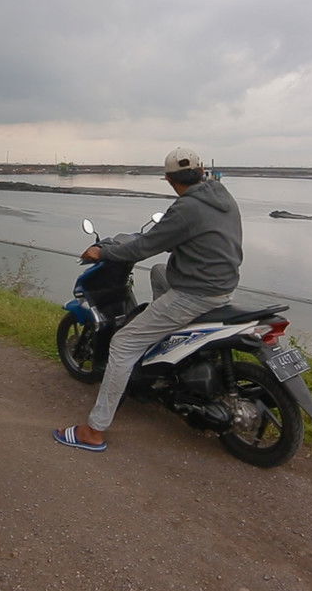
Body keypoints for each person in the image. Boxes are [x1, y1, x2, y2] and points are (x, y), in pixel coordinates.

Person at [54, 147, 242, 453]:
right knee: (158, 272)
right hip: (223, 284)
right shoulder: (222, 196)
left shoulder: (186, 209)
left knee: (124, 344)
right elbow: (168, 243)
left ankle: (94, 430)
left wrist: (102, 251)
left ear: (168, 179)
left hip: (195, 293)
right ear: (202, 171)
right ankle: (165, 342)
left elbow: (144, 247)